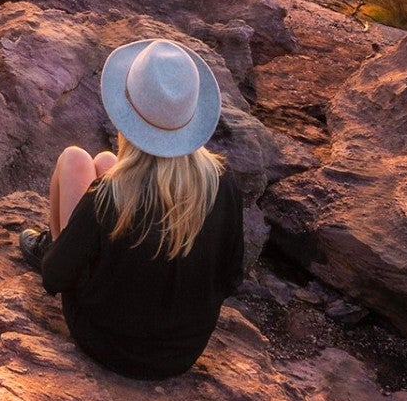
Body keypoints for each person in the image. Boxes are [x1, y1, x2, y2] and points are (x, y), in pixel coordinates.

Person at [16, 38, 246, 380]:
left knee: (74, 159)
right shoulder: (221, 184)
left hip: (107, 343)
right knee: (106, 162)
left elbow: (54, 279)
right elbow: (231, 278)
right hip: (182, 353)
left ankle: (54, 245)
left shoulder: (109, 197)